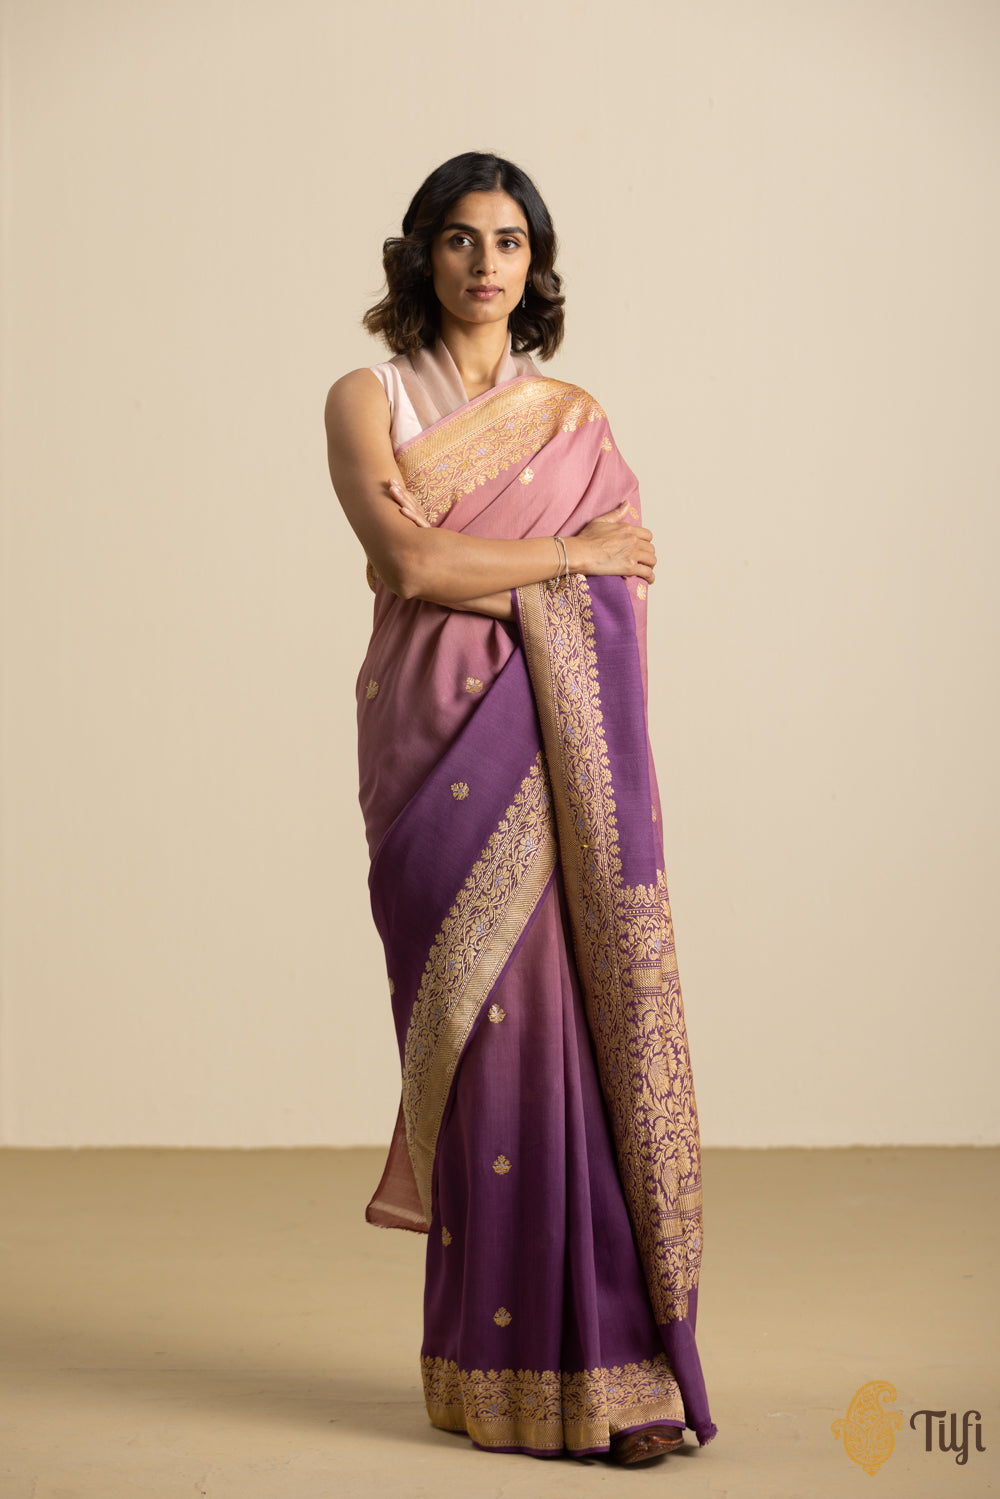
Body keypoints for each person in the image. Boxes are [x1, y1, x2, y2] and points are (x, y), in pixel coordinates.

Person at [324, 151, 716, 1465]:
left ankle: (611, 1376)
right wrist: (562, 563)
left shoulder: (571, 420)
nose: (484, 262)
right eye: (459, 237)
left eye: (507, 240)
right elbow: (407, 561)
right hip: (427, 751)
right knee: (480, 1042)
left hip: (554, 750)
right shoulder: (367, 397)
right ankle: (487, 1371)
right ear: (420, 254)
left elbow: (625, 581)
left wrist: (504, 574)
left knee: (568, 1042)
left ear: (534, 262)